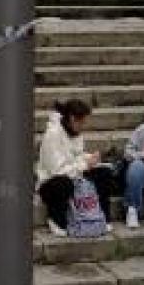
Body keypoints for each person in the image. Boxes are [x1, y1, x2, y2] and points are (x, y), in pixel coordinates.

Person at [36, 100, 118, 237]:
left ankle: (104, 216)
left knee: (104, 173)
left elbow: (77, 155)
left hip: (74, 175)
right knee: (63, 183)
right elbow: (58, 171)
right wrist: (85, 165)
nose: (84, 126)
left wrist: (90, 158)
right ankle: (55, 219)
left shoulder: (75, 132)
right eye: (82, 122)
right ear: (73, 119)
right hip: (50, 183)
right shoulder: (52, 135)